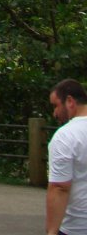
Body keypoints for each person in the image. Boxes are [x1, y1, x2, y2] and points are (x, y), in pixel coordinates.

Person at [47, 79, 87, 235]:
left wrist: (51, 232)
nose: (54, 113)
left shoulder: (66, 136)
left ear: (70, 101)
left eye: (55, 105)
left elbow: (60, 187)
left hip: (77, 227)